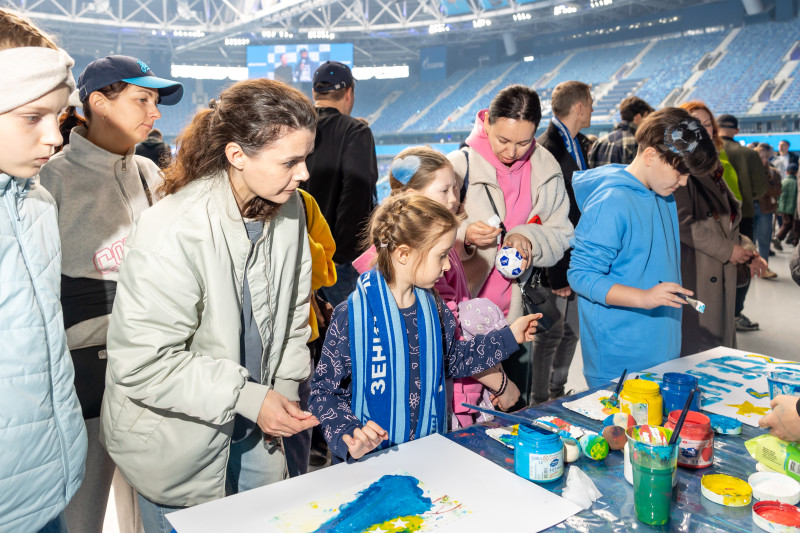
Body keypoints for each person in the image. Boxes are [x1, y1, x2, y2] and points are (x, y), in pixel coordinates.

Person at [99, 79, 319, 533]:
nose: (304, 174)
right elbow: (142, 363)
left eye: (305, 158)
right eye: (290, 161)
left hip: (260, 434)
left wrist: (285, 390)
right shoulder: (171, 228)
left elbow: (296, 314)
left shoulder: (292, 207)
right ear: (237, 156)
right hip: (177, 447)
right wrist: (249, 397)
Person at [39, 54, 183, 533]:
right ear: (99, 102)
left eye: (157, 101)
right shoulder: (51, 179)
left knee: (144, 516)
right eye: (143, 99)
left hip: (151, 370)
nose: (155, 111)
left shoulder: (149, 173)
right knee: (79, 515)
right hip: (85, 377)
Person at [309, 195, 539, 462]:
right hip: (370, 461)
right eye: (441, 255)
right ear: (404, 253)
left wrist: (509, 336)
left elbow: (454, 359)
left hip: (428, 452)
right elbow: (324, 391)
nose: (448, 265)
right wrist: (349, 435)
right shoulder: (352, 316)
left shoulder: (434, 307)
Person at [352, 147, 522, 427]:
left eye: (456, 189)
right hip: (452, 396)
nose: (454, 200)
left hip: (458, 387)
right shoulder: (421, 267)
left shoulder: (433, 251)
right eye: (444, 191)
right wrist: (500, 384)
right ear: (409, 196)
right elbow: (451, 343)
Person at [0, 9, 87, 532]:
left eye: (57, 118)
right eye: (32, 117)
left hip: (45, 479)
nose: (55, 139)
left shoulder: (35, 203)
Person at [568, 108, 718, 387]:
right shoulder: (612, 201)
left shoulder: (663, 195)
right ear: (650, 156)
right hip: (619, 361)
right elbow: (580, 275)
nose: (684, 181)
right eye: (680, 171)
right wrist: (644, 298)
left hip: (660, 349)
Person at [447, 84, 573, 408]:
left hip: (515, 318)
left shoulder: (546, 169)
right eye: (503, 140)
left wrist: (528, 239)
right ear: (487, 121)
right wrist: (465, 236)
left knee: (511, 417)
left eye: (523, 142)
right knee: (461, 413)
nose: (512, 152)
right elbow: (424, 229)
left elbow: (562, 233)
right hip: (460, 317)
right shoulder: (458, 167)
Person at [531, 80, 593, 404]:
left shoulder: (578, 143)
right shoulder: (548, 149)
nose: (593, 109)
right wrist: (557, 272)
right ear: (579, 107)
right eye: (591, 103)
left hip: (576, 255)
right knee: (550, 333)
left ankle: (556, 390)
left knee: (570, 332)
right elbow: (548, 213)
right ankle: (540, 399)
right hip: (557, 261)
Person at [673, 101, 752, 356]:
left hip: (717, 268)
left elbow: (728, 217)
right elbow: (683, 222)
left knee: (718, 347)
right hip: (697, 270)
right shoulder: (680, 167)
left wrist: (747, 247)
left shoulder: (714, 166)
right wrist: (728, 250)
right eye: (696, 124)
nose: (703, 130)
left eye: (707, 124)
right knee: (701, 347)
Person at [303, 61, 378, 306]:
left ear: (315, 94)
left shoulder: (295, 130)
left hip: (302, 257)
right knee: (352, 337)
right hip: (339, 264)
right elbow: (357, 194)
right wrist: (340, 256)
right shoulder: (355, 131)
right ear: (349, 93)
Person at [283, 188, 337, 476]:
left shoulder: (302, 202)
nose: (301, 171)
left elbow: (325, 271)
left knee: (297, 431)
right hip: (241, 344)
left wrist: (293, 237)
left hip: (300, 335)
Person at [716, 114, 768, 332]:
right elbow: (761, 188)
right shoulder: (749, 153)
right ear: (737, 130)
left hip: (713, 218)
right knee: (743, 265)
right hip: (742, 214)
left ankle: (715, 312)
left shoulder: (711, 150)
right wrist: (747, 196)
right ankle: (736, 313)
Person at [587, 95, 654, 167]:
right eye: (646, 117)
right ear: (638, 117)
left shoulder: (599, 142)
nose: (648, 122)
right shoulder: (637, 143)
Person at [754, 143, 782, 277]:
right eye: (761, 157)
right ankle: (750, 268)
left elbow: (776, 191)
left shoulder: (773, 172)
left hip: (766, 209)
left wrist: (762, 184)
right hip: (749, 208)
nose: (764, 160)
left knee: (764, 239)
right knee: (749, 240)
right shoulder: (749, 171)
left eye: (766, 157)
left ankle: (764, 268)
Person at [775, 163, 798, 246]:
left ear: (787, 172)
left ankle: (790, 240)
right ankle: (779, 237)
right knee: (792, 225)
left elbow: (778, 195)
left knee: (787, 224)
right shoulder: (796, 183)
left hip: (783, 208)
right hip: (793, 209)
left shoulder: (783, 182)